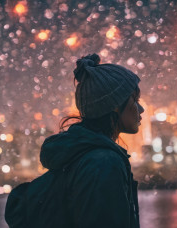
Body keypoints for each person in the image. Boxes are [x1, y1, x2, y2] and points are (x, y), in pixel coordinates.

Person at [39, 53, 144, 228]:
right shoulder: (104, 163)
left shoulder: (82, 154)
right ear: (115, 106)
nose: (141, 109)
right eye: (134, 100)